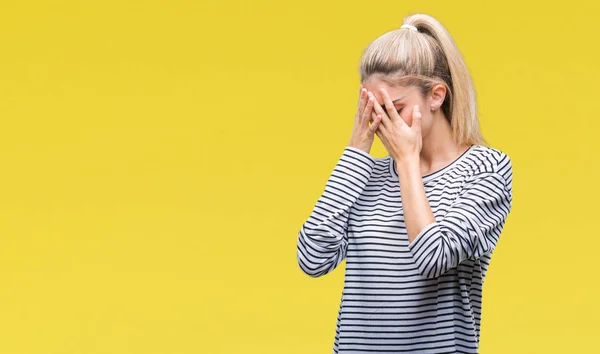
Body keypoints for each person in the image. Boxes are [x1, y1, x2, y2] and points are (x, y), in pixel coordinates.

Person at [296, 13, 513, 354]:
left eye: (393, 107)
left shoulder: (486, 170)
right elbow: (312, 258)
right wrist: (356, 149)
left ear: (436, 96)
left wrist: (408, 161)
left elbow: (432, 255)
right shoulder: (365, 175)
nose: (381, 121)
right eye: (372, 108)